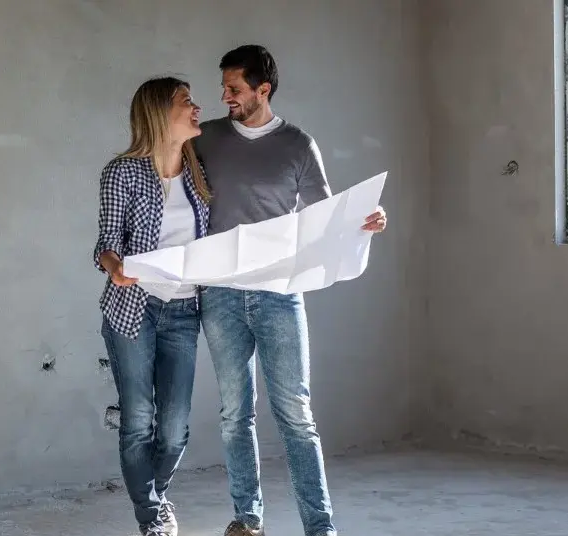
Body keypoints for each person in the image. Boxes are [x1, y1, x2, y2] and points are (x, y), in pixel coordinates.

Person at [193, 45, 388, 536]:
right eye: (223, 87)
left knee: (296, 415)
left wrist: (368, 222)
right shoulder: (206, 138)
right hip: (219, 294)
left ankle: (320, 528)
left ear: (263, 89)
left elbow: (327, 218)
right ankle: (247, 519)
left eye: (234, 88)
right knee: (234, 415)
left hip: (280, 293)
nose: (225, 96)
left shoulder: (298, 145)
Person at [95, 76, 212, 536]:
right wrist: (115, 267)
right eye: (186, 101)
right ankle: (152, 519)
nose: (197, 107)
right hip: (133, 308)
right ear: (160, 112)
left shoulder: (201, 170)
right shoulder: (122, 172)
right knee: (139, 420)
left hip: (184, 310)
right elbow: (106, 244)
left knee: (175, 428)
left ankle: (155, 497)